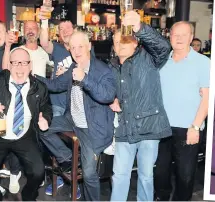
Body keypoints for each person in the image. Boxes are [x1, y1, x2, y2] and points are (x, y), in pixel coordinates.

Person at [35, 31, 116, 201]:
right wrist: (33, 77)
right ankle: (69, 159)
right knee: (41, 127)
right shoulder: (73, 67)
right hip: (72, 120)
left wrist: (85, 79)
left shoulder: (103, 69)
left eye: (80, 46)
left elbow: (108, 95)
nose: (77, 51)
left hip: (92, 128)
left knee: (88, 174)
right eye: (73, 47)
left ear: (89, 47)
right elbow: (56, 85)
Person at [109, 11, 172, 201]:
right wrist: (110, 100)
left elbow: (163, 47)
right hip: (125, 127)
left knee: (145, 177)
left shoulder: (148, 58)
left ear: (136, 42)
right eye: (117, 42)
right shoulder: (111, 66)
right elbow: (104, 91)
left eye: (125, 41)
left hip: (149, 127)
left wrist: (140, 27)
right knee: (119, 175)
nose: (120, 45)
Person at [0, 48, 52, 201]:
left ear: (30, 66)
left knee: (38, 172)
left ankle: (28, 196)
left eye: (24, 63)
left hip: (24, 135)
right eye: (15, 63)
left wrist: (46, 119)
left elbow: (47, 108)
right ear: (9, 66)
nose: (20, 67)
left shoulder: (40, 87)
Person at [154, 21, 210, 201]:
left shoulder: (203, 62)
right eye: (175, 34)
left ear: (191, 38)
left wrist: (196, 126)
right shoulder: (162, 61)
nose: (178, 38)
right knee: (160, 173)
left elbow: (207, 98)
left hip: (188, 128)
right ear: (169, 37)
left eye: (183, 35)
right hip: (161, 127)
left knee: (185, 176)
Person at [38, 7, 76, 195]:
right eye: (61, 30)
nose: (65, 32)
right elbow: (44, 42)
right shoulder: (58, 49)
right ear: (59, 34)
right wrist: (44, 20)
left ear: (75, 29)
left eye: (68, 28)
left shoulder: (83, 49)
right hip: (57, 102)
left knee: (72, 142)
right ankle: (62, 175)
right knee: (52, 137)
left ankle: (73, 182)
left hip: (74, 106)